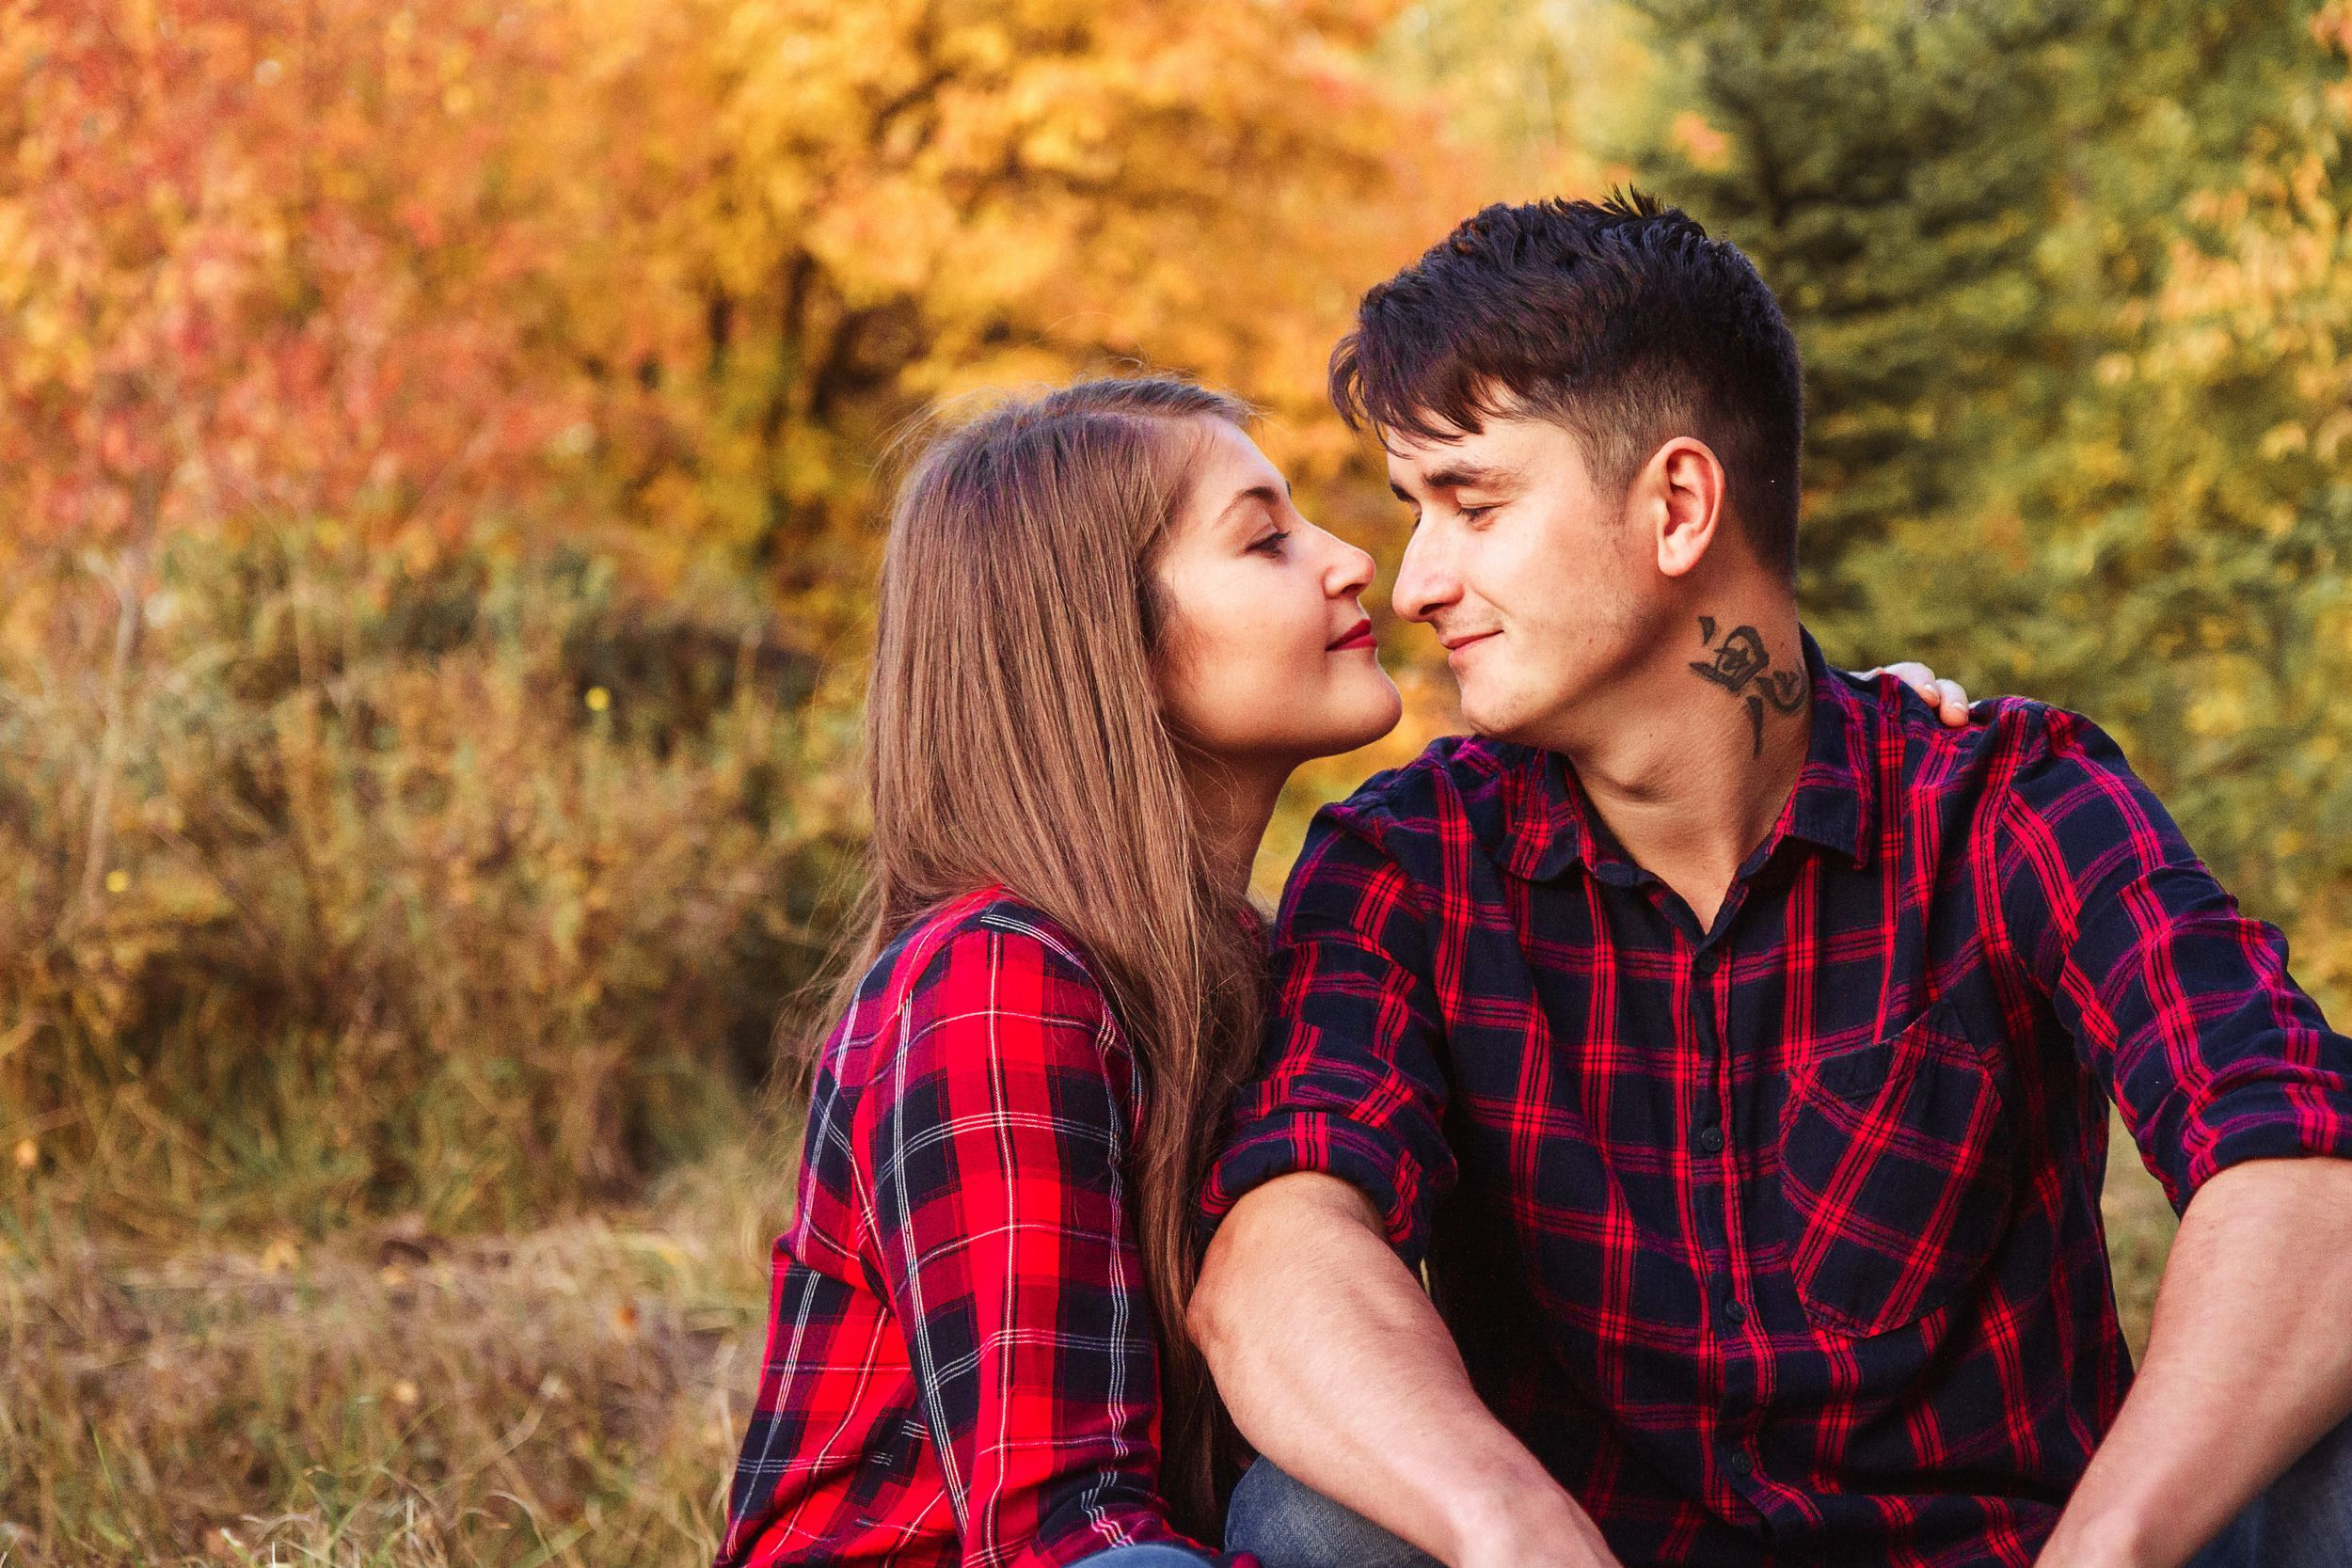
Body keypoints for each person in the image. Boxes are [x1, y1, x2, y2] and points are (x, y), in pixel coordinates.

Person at [1191, 192, 2352, 1568]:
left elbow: (2302, 1166)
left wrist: (2114, 1550)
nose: (1416, 578)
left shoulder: (2007, 805)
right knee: (1315, 1520)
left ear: (1679, 506)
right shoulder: (1409, 865)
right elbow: (1281, 1245)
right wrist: (1507, 1531)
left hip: (2015, 1552)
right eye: (1414, 508)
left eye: (1474, 503)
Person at [711, 375, 1970, 1568]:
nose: (1355, 559)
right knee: (1349, 1520)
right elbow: (1060, 1527)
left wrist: (1806, 739)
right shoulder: (996, 987)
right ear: (1108, 644)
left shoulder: (1271, 959)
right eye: (1264, 541)